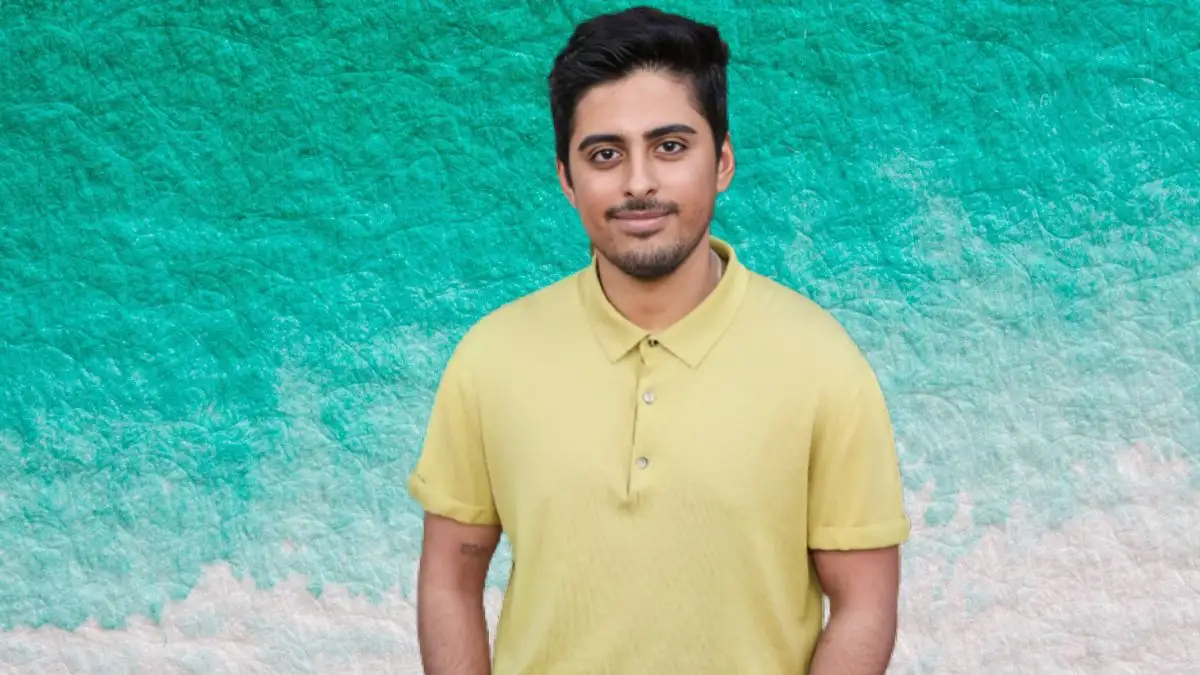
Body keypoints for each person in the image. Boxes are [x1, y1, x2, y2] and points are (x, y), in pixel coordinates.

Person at [407, 6, 911, 674]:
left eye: (670, 147)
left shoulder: (822, 362)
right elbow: (450, 578)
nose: (638, 182)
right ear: (566, 178)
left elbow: (864, 605)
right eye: (605, 154)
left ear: (722, 161)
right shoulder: (491, 357)